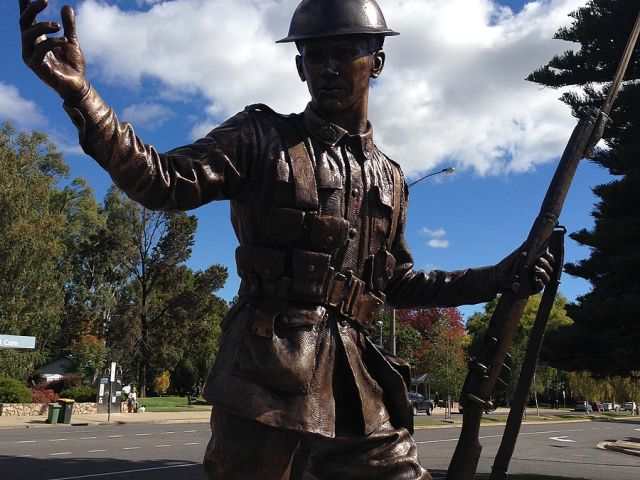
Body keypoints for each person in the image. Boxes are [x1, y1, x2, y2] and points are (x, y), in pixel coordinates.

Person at [19, 0, 554, 478]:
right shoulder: (259, 137)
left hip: (356, 386)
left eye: (344, 53)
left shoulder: (390, 178)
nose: (327, 68)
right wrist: (82, 96)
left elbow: (398, 283)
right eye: (313, 56)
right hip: (264, 378)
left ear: (378, 61)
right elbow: (160, 182)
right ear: (298, 66)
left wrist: (498, 276)